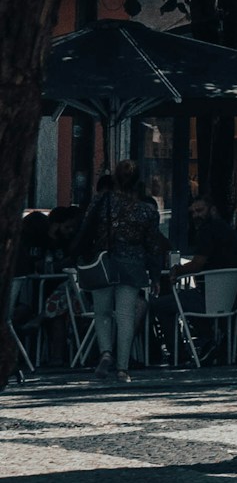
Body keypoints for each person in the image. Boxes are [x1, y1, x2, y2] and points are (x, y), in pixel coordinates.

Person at [77, 160, 168, 380]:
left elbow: (85, 229)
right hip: (132, 265)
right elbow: (153, 246)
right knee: (126, 315)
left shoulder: (101, 202)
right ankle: (122, 367)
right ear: (138, 182)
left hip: (103, 262)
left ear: (115, 179)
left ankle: (106, 352)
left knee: (102, 312)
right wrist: (155, 275)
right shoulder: (146, 211)